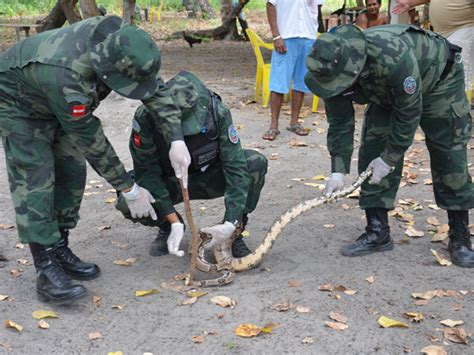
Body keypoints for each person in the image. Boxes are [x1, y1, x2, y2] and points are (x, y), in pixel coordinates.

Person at [0, 15, 192, 305]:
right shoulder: (69, 75)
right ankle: (46, 268)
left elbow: (154, 90)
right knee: (36, 177)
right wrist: (129, 188)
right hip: (17, 102)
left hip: (55, 95)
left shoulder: (120, 43)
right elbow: (92, 142)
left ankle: (60, 246)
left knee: (72, 170)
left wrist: (176, 138)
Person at [305, 24, 473, 267]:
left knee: (448, 153)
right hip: (383, 91)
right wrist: (337, 170)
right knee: (373, 147)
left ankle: (459, 236)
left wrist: (389, 158)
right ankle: (377, 231)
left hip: (438, 80)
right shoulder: (326, 71)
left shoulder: (392, 56)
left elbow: (408, 113)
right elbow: (340, 122)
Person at [116, 71, 268, 258]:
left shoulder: (217, 111)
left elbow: (235, 167)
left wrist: (232, 221)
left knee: (254, 164)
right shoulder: (146, 117)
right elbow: (147, 172)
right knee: (129, 198)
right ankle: (167, 226)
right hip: (170, 182)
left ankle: (233, 234)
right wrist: (171, 218)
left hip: (209, 176)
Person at [262, 0, 324, 141]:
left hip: (308, 37)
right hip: (286, 37)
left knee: (301, 83)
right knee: (278, 83)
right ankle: (273, 126)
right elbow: (270, 5)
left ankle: (294, 122)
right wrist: (276, 36)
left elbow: (316, 7)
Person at [392, 0, 473, 100]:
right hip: (442, 33)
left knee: (459, 77)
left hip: (463, 29)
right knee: (445, 77)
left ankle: (462, 113)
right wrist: (410, 3)